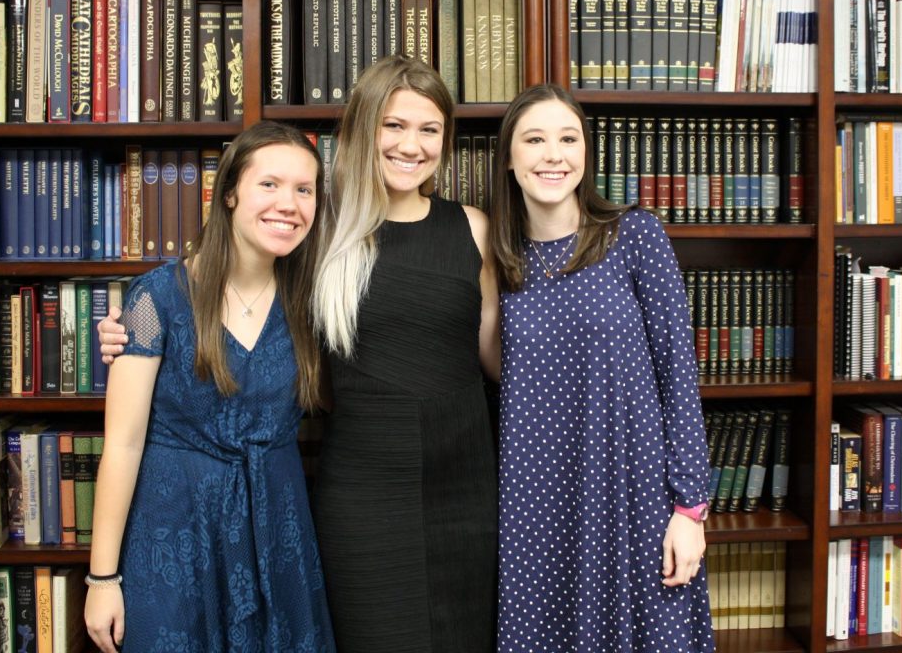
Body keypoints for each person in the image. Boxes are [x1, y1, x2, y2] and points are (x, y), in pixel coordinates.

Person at [98, 55, 500, 653]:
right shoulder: (321, 237)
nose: (410, 145)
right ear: (363, 129)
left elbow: (499, 355)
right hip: (346, 489)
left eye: (428, 129)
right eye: (393, 125)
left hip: (456, 479)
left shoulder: (465, 230)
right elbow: (214, 292)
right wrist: (129, 328)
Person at [84, 122, 335, 653]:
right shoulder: (153, 301)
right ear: (229, 193)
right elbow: (123, 446)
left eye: (304, 189)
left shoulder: (315, 301)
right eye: (269, 184)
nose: (288, 203)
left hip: (278, 528)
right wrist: (102, 580)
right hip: (176, 533)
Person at [489, 84, 714, 652]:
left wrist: (690, 509)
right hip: (536, 503)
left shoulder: (634, 236)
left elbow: (678, 375)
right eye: (534, 140)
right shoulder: (497, 261)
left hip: (633, 493)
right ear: (509, 158)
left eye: (569, 138)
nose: (553, 155)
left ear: (587, 153)